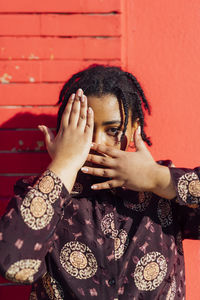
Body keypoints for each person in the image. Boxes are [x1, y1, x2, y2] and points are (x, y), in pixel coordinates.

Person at [0, 65, 199, 300]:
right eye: (85, 130)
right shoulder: (44, 193)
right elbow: (12, 263)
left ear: (136, 126)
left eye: (113, 130)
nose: (97, 142)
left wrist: (158, 178)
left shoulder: (164, 190)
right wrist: (64, 164)